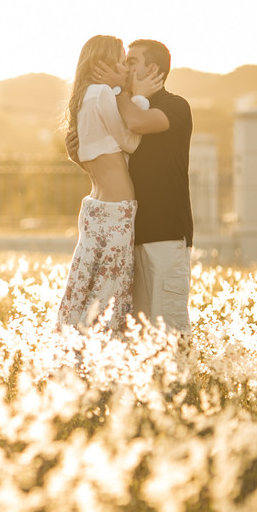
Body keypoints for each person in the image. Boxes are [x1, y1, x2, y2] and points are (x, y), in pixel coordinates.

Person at [56, 35, 159, 334]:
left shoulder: (82, 97)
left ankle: (74, 352)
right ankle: (100, 360)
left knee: (83, 287)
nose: (125, 67)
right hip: (116, 211)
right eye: (121, 59)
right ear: (105, 62)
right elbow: (130, 141)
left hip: (94, 208)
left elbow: (91, 155)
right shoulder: (103, 93)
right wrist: (138, 99)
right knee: (110, 292)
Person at [94, 39, 193, 332]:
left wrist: (120, 91)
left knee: (171, 329)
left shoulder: (175, 106)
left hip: (166, 234)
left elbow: (137, 122)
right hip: (129, 234)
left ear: (152, 69)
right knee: (138, 333)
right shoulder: (122, 107)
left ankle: (183, 379)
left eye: (132, 62)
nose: (124, 68)